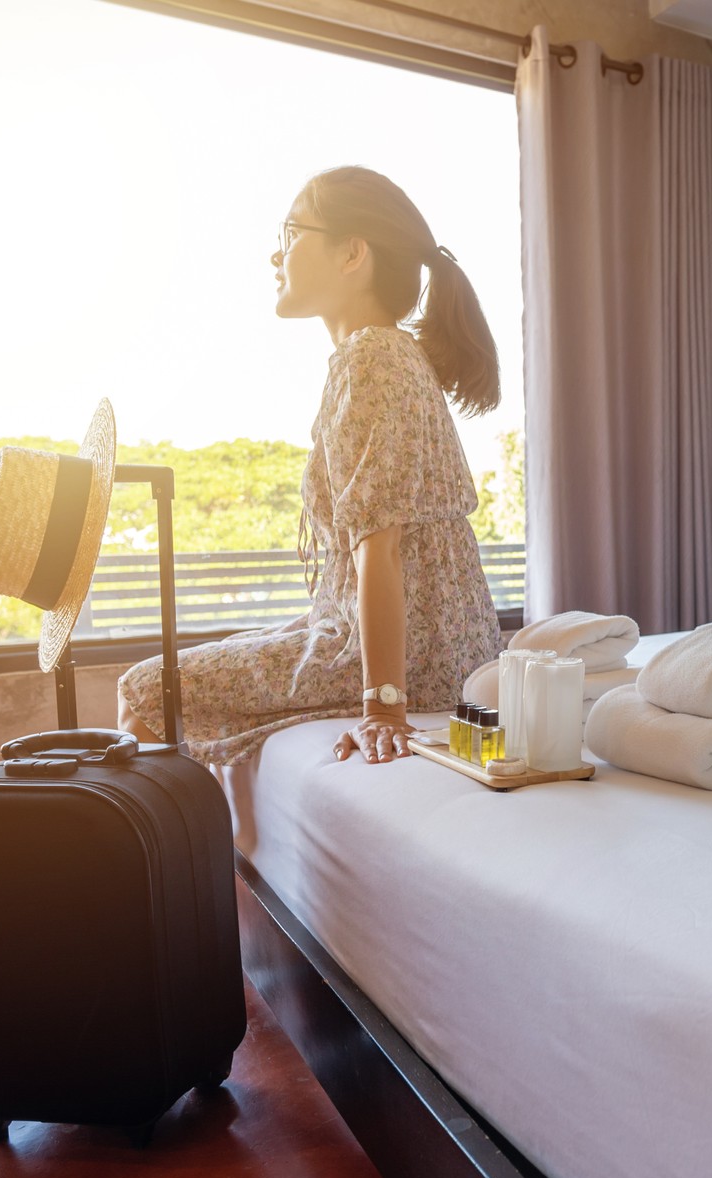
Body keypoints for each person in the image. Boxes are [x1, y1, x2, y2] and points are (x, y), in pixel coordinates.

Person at [118, 166, 503, 766]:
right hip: (447, 643)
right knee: (225, 654)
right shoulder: (391, 353)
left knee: (146, 691)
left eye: (292, 232)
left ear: (352, 252)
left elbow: (380, 545)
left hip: (421, 655)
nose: (277, 253)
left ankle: (174, 860)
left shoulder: (371, 356)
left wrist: (383, 707)